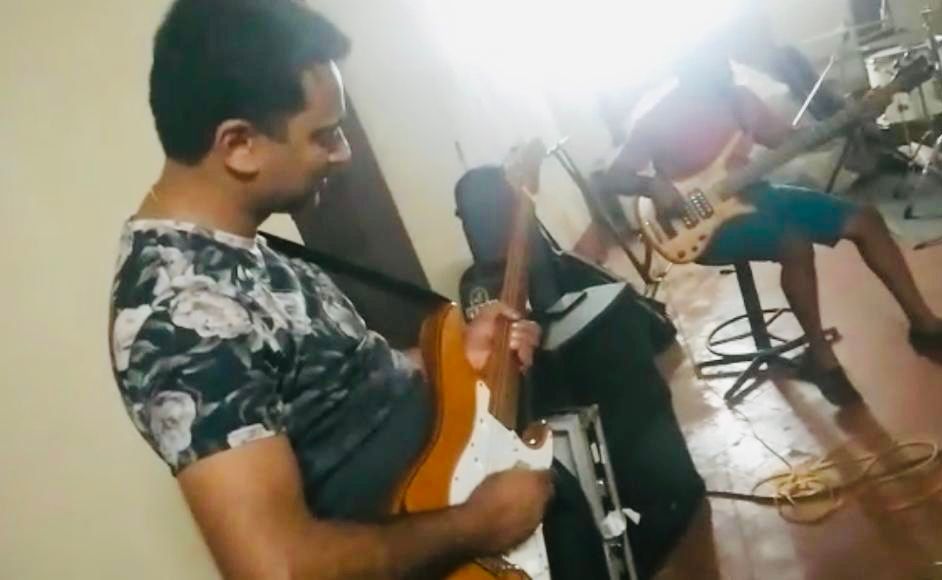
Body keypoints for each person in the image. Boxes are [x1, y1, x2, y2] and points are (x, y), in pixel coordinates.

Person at [108, 1, 610, 577]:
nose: (343, 153)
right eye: (324, 135)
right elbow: (278, 569)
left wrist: (451, 358)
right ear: (239, 144)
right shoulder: (178, 316)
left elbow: (336, 387)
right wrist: (476, 523)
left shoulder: (233, 247)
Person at [599, 39, 942, 407]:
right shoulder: (658, 117)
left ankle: (926, 326)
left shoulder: (740, 101)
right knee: (794, 242)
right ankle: (822, 361)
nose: (725, 65)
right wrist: (650, 185)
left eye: (722, 57)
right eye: (713, 60)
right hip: (703, 229)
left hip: (758, 197)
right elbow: (611, 177)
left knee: (865, 219)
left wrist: (854, 115)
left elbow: (792, 139)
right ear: (688, 68)